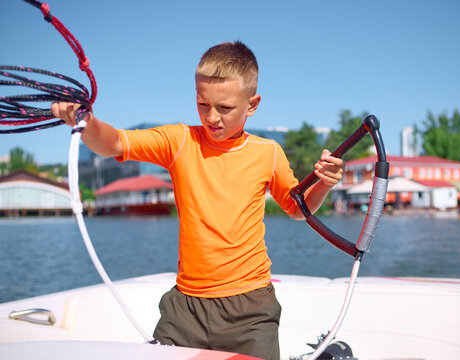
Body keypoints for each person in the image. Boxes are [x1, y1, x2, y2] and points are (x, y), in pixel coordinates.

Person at [52, 41, 344, 360]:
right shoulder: (179, 141)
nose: (212, 117)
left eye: (225, 108)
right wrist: (86, 122)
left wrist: (324, 184)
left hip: (250, 309)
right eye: (203, 104)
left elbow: (297, 209)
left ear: (252, 104)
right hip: (185, 309)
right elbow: (112, 142)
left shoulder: (268, 152)